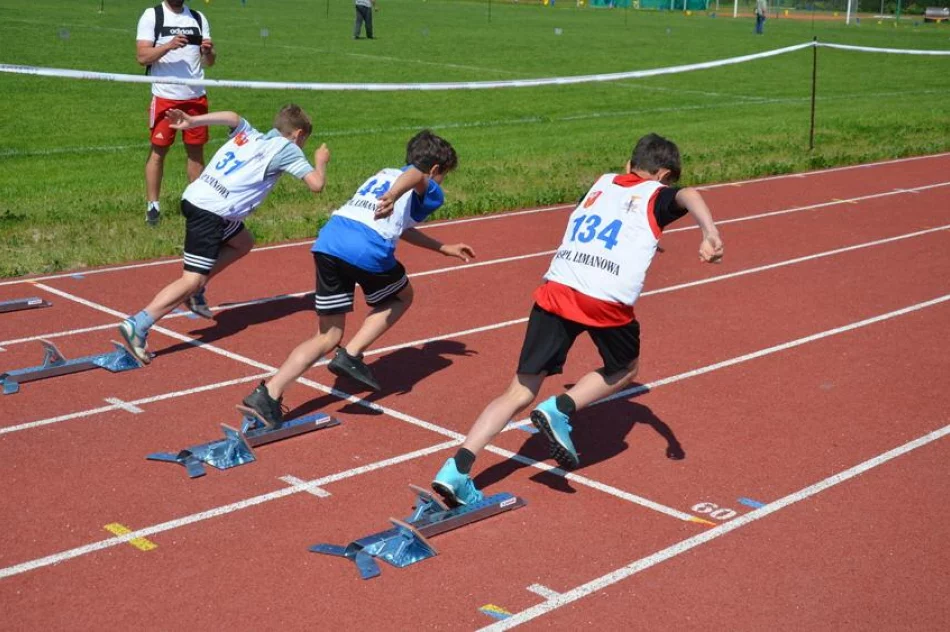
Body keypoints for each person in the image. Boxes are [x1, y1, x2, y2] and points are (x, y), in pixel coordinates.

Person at [430, 133, 724, 506]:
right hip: (603, 300)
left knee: (518, 390)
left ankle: (456, 469)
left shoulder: (600, 183)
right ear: (663, 175)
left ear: (628, 165)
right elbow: (689, 195)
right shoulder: (658, 193)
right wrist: (709, 231)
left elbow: (613, 221)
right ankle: (560, 408)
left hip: (556, 288)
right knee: (626, 367)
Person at [240, 130, 474, 426]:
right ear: (436, 170)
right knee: (403, 296)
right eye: (443, 177)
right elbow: (417, 175)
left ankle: (268, 394)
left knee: (327, 335)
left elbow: (402, 225)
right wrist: (394, 194)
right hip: (367, 246)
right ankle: (351, 354)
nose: (441, 184)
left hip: (330, 241)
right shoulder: (421, 183)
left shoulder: (385, 173)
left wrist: (442, 247)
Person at [118, 105, 330, 364]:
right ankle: (138, 324)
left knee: (243, 242)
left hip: (199, 199)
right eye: (304, 141)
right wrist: (320, 163)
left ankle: (197, 288)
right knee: (191, 279)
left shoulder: (250, 134)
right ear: (297, 135)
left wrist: (194, 121)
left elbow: (233, 116)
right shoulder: (287, 149)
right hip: (212, 212)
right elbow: (316, 185)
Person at [136, 0, 216, 227]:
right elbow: (142, 57)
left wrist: (208, 52)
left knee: (196, 153)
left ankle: (196, 206)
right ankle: (153, 206)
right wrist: (169, 45)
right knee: (158, 151)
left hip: (196, 98)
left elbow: (209, 62)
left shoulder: (198, 18)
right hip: (165, 97)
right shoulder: (153, 16)